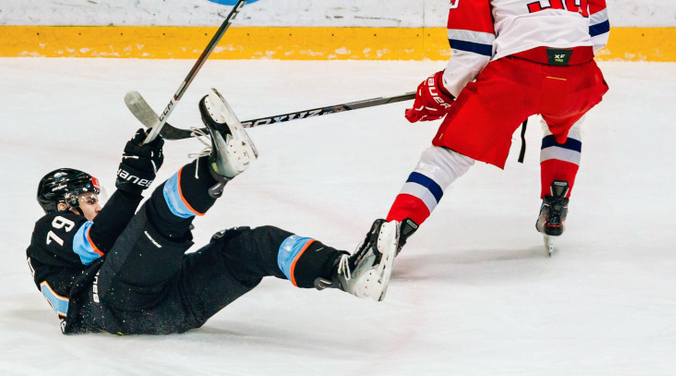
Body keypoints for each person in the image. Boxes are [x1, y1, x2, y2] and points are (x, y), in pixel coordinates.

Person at [27, 89, 399, 335]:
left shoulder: (85, 239)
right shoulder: (47, 230)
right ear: (64, 205)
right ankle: (215, 168)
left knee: (248, 248)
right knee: (159, 217)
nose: (99, 205)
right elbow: (98, 241)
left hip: (169, 308)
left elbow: (116, 238)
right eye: (91, 199)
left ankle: (344, 272)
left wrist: (136, 176)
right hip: (112, 302)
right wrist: (130, 184)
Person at [383, 0, 609, 254]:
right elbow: (597, 32)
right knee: (565, 124)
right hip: (580, 72)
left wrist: (441, 89)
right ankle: (556, 201)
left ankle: (391, 234)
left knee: (446, 157)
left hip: (518, 77)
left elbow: (473, 54)